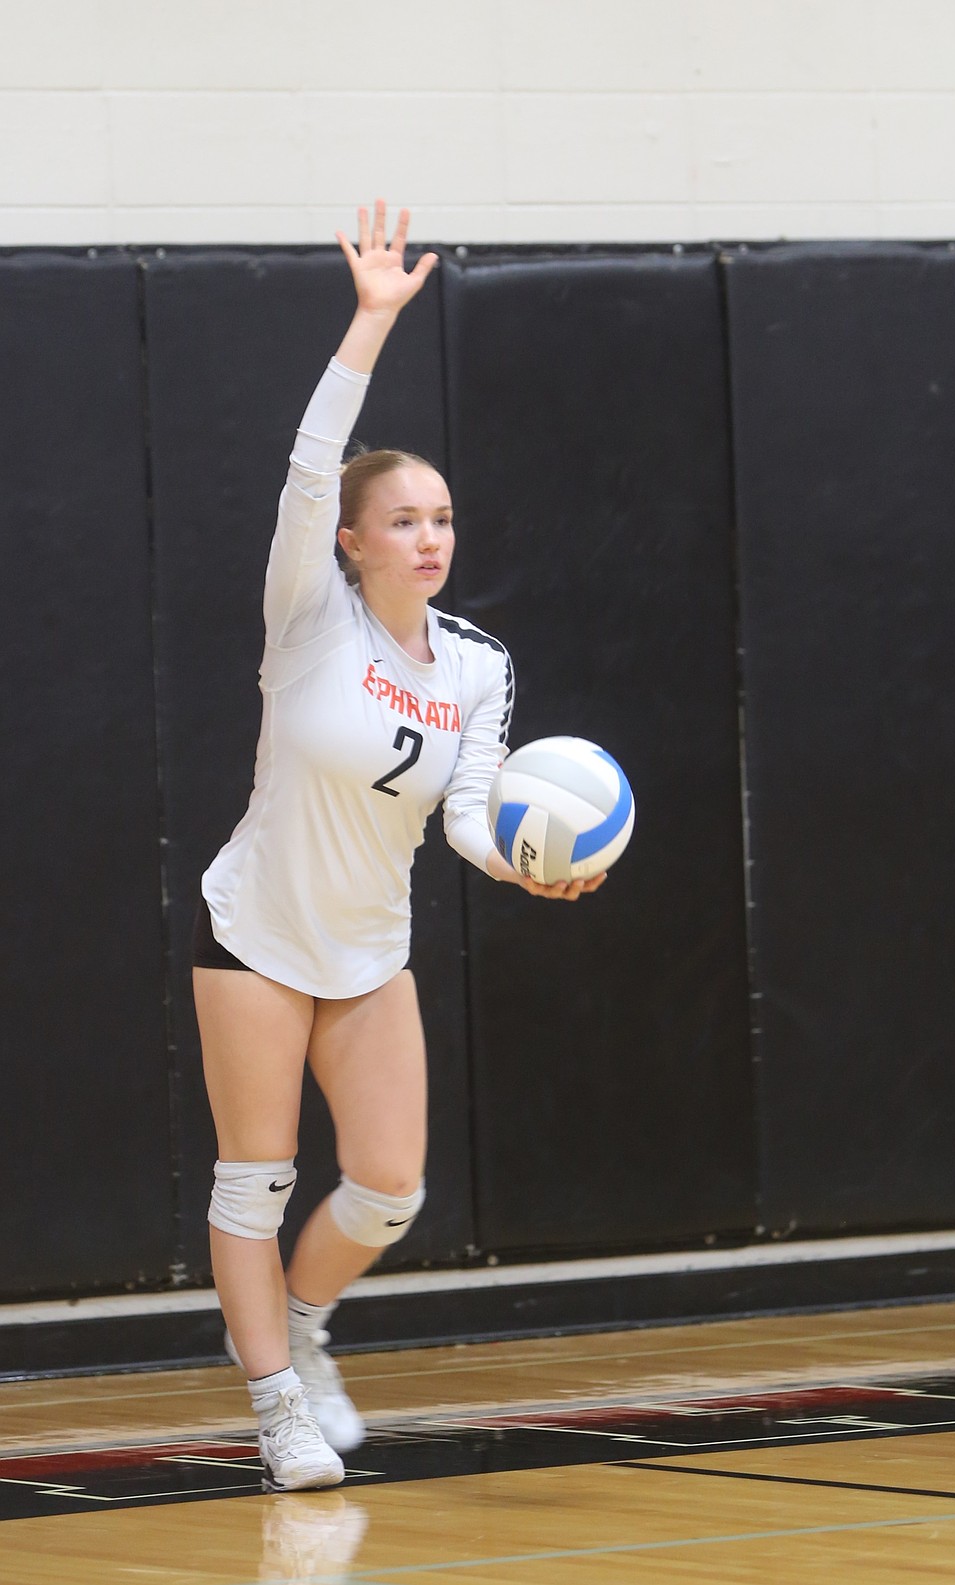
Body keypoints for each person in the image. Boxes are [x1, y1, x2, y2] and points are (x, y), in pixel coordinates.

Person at [191, 201, 606, 1494]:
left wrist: (532, 863)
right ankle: (274, 1411)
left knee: (386, 1187)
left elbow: (472, 808)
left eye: (442, 517)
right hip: (256, 930)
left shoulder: (478, 664)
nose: (429, 534)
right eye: (404, 517)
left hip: (369, 945)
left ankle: (307, 1330)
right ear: (353, 540)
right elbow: (312, 460)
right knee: (255, 1182)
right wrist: (370, 322)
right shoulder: (308, 613)